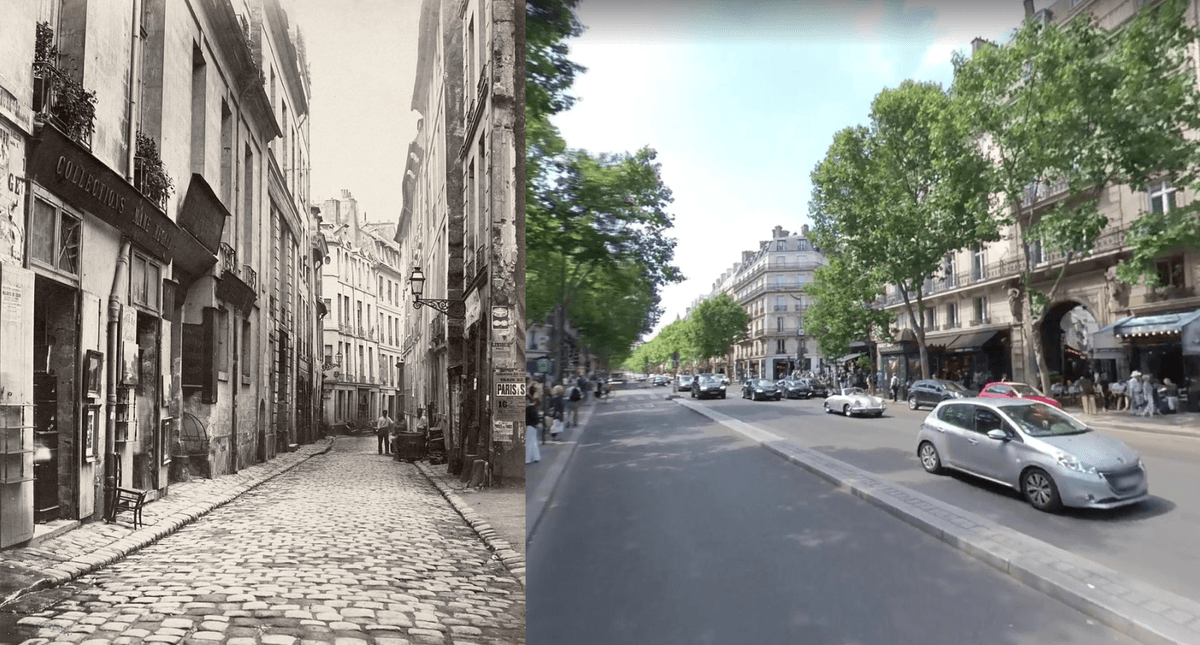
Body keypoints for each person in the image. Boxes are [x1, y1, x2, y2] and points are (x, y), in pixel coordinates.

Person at [525, 393, 541, 464]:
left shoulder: (528, 409)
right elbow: (536, 419)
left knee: (528, 443)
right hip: (533, 427)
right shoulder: (532, 408)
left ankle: (527, 459)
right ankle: (536, 457)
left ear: (528, 400)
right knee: (534, 442)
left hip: (529, 427)